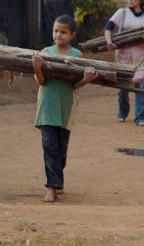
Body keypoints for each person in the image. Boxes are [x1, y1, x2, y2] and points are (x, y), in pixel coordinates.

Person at [32, 15, 97, 203]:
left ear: (72, 35)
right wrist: (37, 68)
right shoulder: (45, 52)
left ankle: (57, 182)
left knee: (61, 151)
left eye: (63, 32)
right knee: (49, 147)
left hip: (65, 108)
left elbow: (74, 85)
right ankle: (51, 188)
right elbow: (42, 81)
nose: (58, 34)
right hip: (47, 106)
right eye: (56, 31)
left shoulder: (76, 56)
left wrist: (87, 79)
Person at [104, 0, 144, 126]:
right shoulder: (122, 13)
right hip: (123, 56)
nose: (130, 0)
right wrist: (109, 42)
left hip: (141, 57)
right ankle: (122, 112)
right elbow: (108, 27)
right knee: (123, 87)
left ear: (140, 0)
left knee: (140, 87)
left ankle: (139, 118)